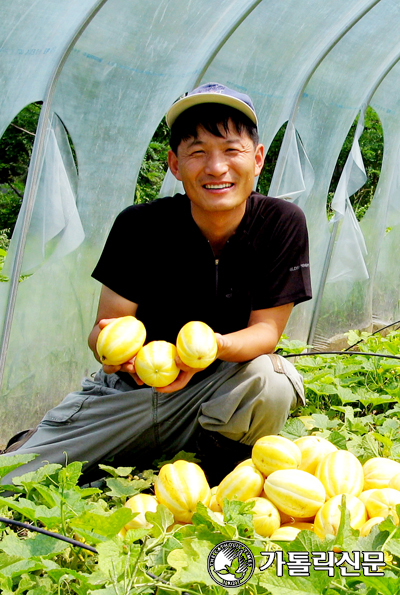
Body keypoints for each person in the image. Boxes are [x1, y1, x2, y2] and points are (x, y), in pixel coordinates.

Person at [2, 83, 312, 486]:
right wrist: (112, 352)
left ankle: (215, 471)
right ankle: (95, 448)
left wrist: (209, 348)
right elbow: (105, 330)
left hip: (214, 397)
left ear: (257, 160)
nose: (216, 168)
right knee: (13, 478)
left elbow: (266, 332)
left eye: (231, 151)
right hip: (128, 395)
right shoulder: (139, 226)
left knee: (271, 381)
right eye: (197, 152)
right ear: (174, 164)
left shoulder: (281, 223)